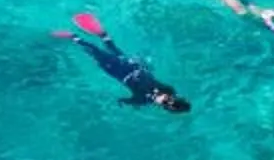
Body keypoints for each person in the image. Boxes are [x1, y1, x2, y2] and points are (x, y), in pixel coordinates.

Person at [58, 13, 190, 111]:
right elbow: (136, 95)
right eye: (167, 98)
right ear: (172, 96)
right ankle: (75, 37)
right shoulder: (152, 95)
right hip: (123, 69)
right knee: (96, 53)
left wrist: (125, 103)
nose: (162, 99)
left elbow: (126, 100)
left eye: (164, 103)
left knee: (113, 51)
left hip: (131, 67)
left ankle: (103, 35)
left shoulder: (144, 99)